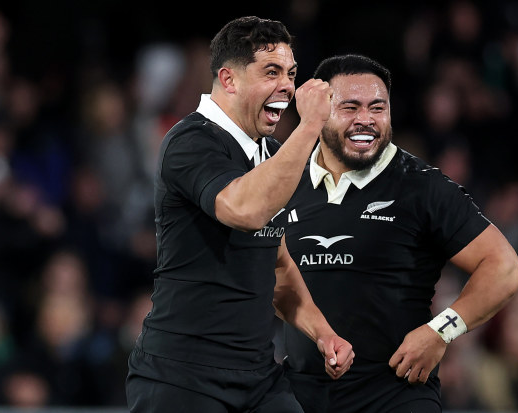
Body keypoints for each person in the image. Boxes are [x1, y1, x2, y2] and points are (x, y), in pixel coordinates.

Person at [125, 16, 354, 413]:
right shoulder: (190, 141)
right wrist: (310, 124)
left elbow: (277, 264)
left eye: (291, 73)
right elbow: (243, 209)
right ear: (229, 80)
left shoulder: (264, 154)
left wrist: (322, 333)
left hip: (258, 377)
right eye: (271, 72)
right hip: (184, 378)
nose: (287, 84)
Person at [281, 54, 518, 413]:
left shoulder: (422, 186)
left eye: (377, 108)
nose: (365, 120)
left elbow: (503, 267)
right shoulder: (284, 181)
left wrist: (442, 330)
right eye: (350, 107)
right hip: (299, 397)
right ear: (318, 112)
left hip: (395, 395)